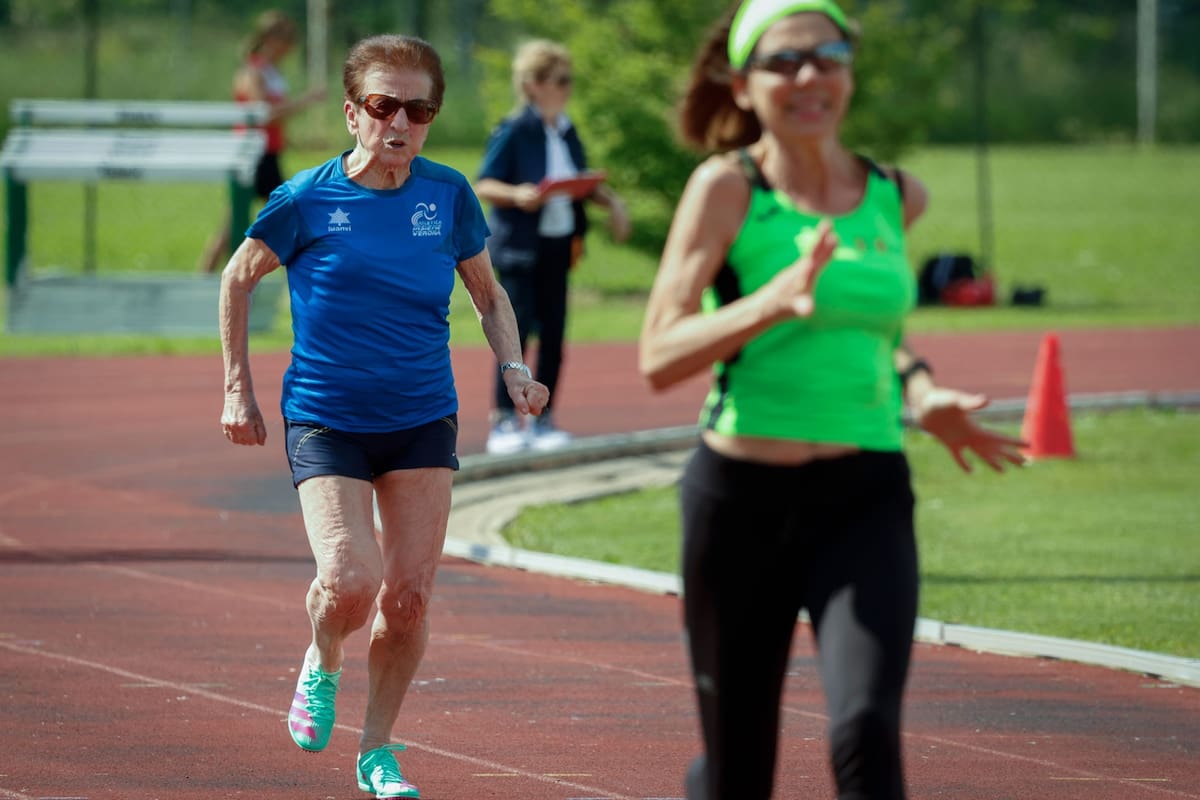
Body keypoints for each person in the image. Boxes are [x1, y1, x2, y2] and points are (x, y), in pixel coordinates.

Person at [637, 2, 1027, 798]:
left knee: (866, 732)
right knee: (738, 770)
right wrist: (769, 303)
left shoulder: (895, 194)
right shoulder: (726, 188)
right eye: (783, 62)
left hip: (863, 497)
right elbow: (658, 355)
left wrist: (922, 391)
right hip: (739, 503)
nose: (808, 75)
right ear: (744, 87)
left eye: (827, 55)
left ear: (849, 73)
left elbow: (871, 337)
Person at [218, 34, 549, 799]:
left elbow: (489, 296)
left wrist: (515, 367)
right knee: (347, 579)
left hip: (421, 416)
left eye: (419, 108)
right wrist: (239, 386)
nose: (400, 122)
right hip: (328, 417)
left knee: (408, 597)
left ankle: (378, 751)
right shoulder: (306, 198)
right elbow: (237, 279)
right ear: (352, 113)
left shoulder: (447, 194)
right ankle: (322, 659)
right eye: (383, 105)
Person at [475, 39, 632, 454]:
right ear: (533, 85)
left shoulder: (566, 130)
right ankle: (506, 420)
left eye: (568, 80)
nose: (566, 89)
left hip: (559, 247)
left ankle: (544, 421)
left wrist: (610, 200)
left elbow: (580, 178)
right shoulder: (513, 130)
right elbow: (485, 183)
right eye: (558, 80)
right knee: (516, 333)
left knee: (556, 334)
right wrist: (519, 194)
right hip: (521, 249)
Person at [199, 10, 325, 273]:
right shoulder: (253, 71)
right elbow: (262, 116)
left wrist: (292, 140)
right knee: (288, 214)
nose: (290, 47)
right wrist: (306, 101)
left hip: (269, 154)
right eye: (287, 40)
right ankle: (219, 276)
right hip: (252, 155)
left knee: (242, 223)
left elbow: (275, 119)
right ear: (271, 39)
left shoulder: (271, 73)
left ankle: (212, 276)